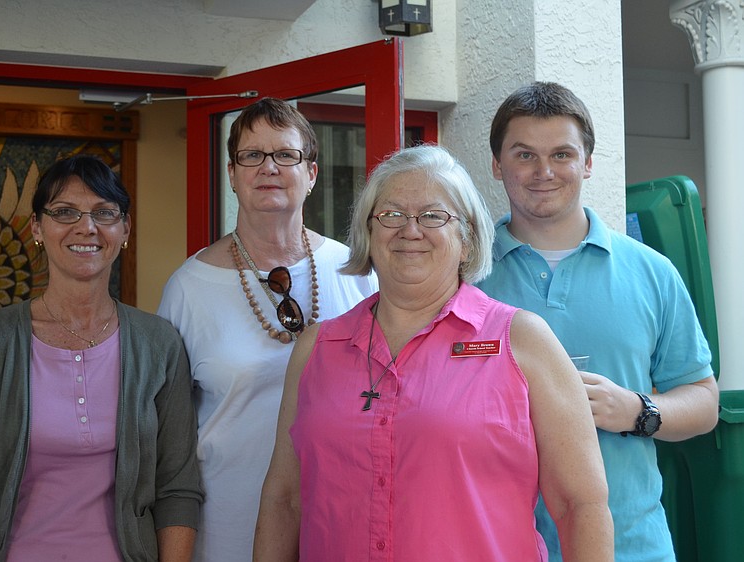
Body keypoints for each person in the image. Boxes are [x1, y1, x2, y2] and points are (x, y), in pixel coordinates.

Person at [253, 144, 613, 561]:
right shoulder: (315, 349)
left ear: (466, 238)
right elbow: (284, 502)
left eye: (433, 215)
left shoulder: (522, 341)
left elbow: (579, 506)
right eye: (391, 214)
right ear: (368, 234)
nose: (410, 230)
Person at [477, 81, 720, 562]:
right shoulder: (465, 278)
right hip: (494, 547)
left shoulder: (651, 271)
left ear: (587, 163)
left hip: (633, 548)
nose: (544, 171)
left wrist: (636, 411)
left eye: (562, 154)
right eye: (524, 154)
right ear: (496, 164)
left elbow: (705, 403)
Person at [0, 154, 203, 562]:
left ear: (124, 229)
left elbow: (177, 486)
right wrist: (2, 504)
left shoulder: (158, 343)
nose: (86, 227)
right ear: (38, 226)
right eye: (65, 212)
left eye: (104, 213)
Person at [157, 97, 378, 562]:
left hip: (344, 518)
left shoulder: (357, 271)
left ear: (312, 173)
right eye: (252, 155)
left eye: (286, 155)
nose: (268, 168)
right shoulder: (189, 287)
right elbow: (167, 437)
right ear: (232, 175)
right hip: (227, 524)